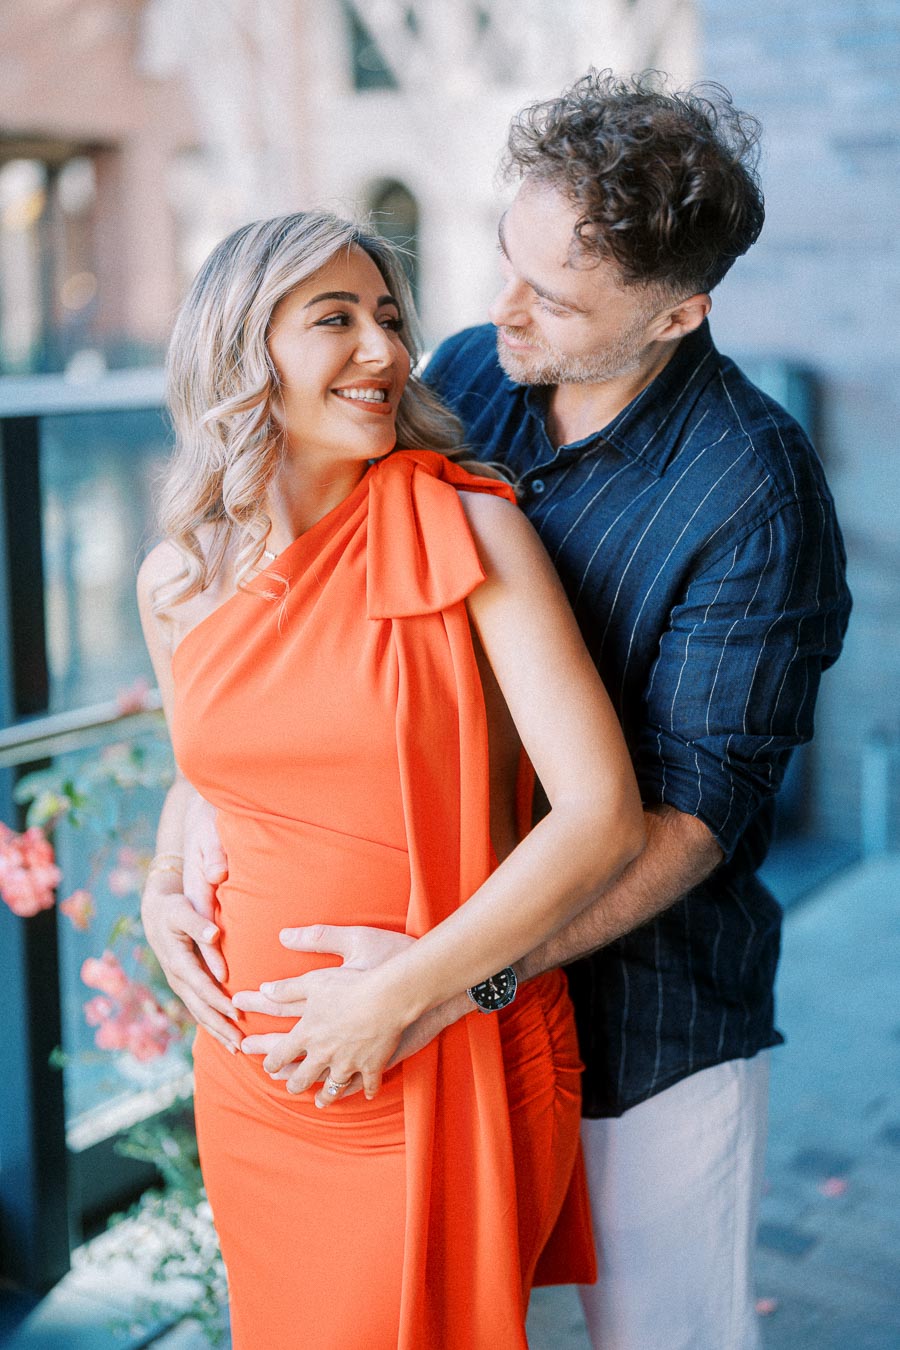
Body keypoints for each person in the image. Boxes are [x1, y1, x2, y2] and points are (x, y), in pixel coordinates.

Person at [150, 72, 852, 1349]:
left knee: (663, 1336)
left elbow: (691, 822)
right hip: (408, 1018)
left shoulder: (757, 493)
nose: (495, 311)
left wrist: (448, 985)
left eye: (559, 297)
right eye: (504, 259)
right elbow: (286, 644)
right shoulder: (466, 376)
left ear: (677, 314)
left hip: (646, 1017)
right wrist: (174, 852)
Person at [137, 210, 645, 1350]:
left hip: (429, 1049)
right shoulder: (176, 578)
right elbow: (209, 770)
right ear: (240, 350)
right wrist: (162, 882)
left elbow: (603, 815)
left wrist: (403, 992)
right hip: (257, 1083)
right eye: (335, 320)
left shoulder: (468, 530)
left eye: (389, 318)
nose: (384, 350)